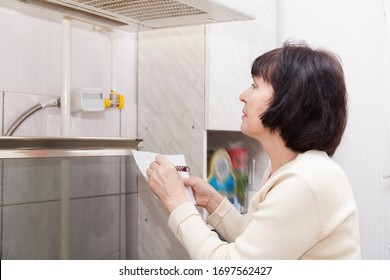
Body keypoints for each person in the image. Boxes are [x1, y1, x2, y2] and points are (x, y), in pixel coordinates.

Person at [146, 42, 361, 259]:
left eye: (255, 86)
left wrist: (176, 202)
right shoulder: (296, 169)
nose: (243, 95)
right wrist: (213, 202)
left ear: (290, 101)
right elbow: (262, 244)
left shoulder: (304, 181)